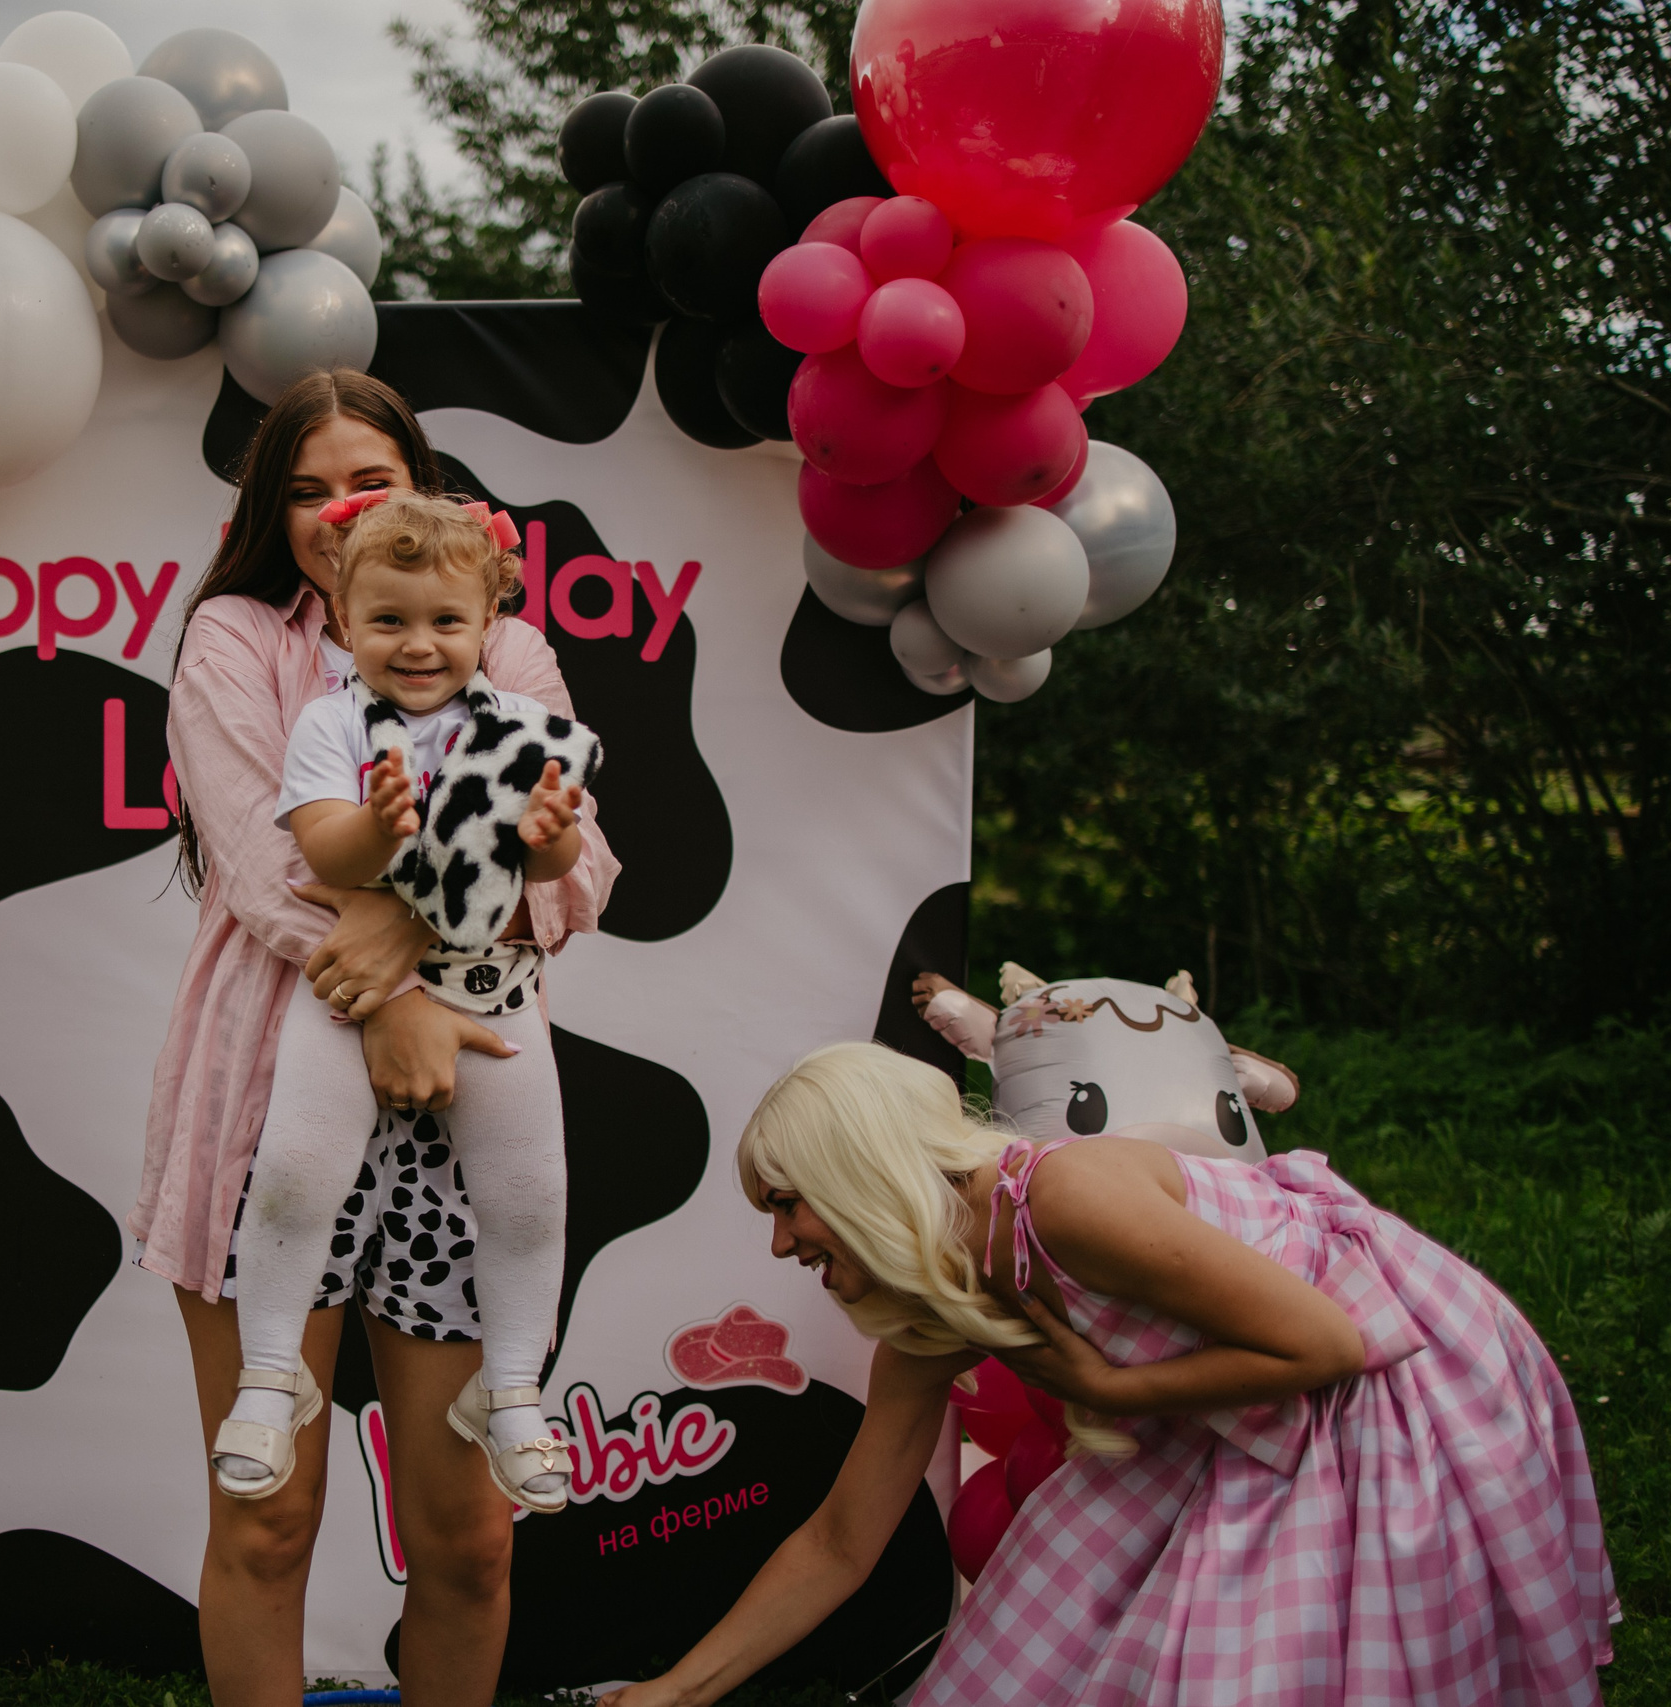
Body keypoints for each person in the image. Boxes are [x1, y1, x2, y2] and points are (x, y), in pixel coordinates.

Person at [604, 1041, 1614, 1707]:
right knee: (1024, 1647)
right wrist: (674, 1693)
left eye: (788, 1203)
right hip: (1219, 1407)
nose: (781, 1244)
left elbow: (1327, 1347)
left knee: (1264, 1670)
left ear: (856, 1174)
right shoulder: (933, 1312)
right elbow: (838, 1540)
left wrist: (1114, 1393)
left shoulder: (1065, 1202)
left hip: (1373, 1393)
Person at [131, 369, 619, 1707]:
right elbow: (254, 864)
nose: (334, 508)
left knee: (465, 1535)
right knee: (269, 1514)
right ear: (267, 510)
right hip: (266, 1094)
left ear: (423, 485)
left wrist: (408, 944)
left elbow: (580, 871)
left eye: (366, 477)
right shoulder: (235, 637)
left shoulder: (500, 640)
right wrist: (395, 991)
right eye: (300, 488)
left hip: (472, 1094)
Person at [212, 489, 602, 1512]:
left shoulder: (522, 724)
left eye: (445, 622)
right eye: (388, 621)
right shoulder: (330, 723)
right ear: (343, 621)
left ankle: (511, 1391)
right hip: (358, 994)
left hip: (496, 996)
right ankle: (268, 1377)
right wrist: (379, 829)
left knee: (529, 1203)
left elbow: (553, 865)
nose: (417, 645)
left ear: (489, 625)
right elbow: (322, 850)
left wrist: (552, 827)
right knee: (296, 1174)